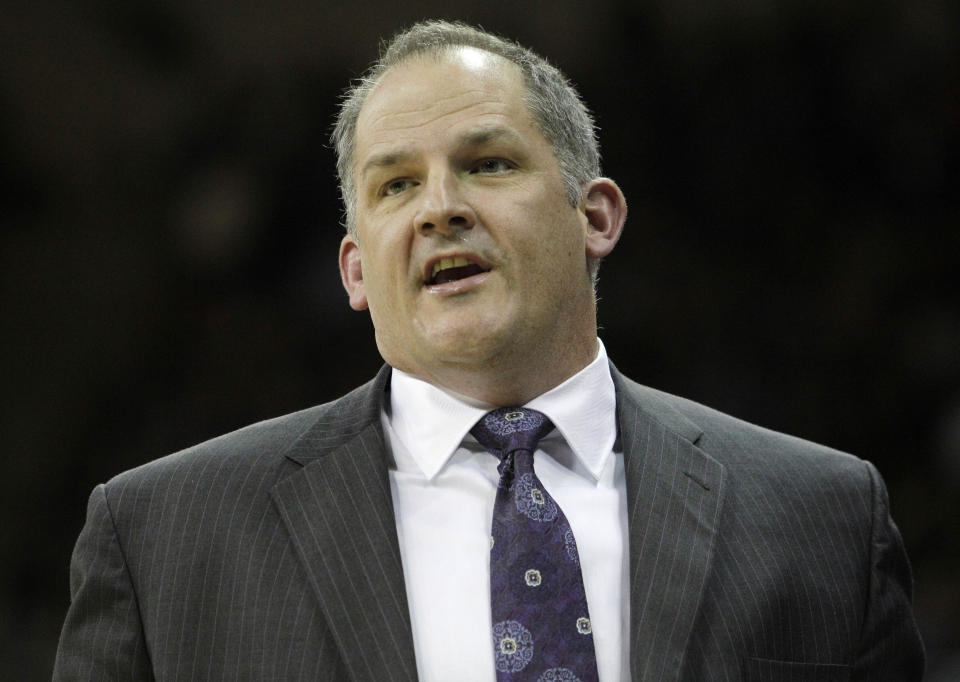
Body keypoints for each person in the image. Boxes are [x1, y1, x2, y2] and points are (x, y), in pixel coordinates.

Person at [54, 20, 923, 681]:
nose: (440, 207)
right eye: (395, 185)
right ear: (355, 271)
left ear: (596, 217)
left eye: (489, 165)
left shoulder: (823, 517)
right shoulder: (160, 539)